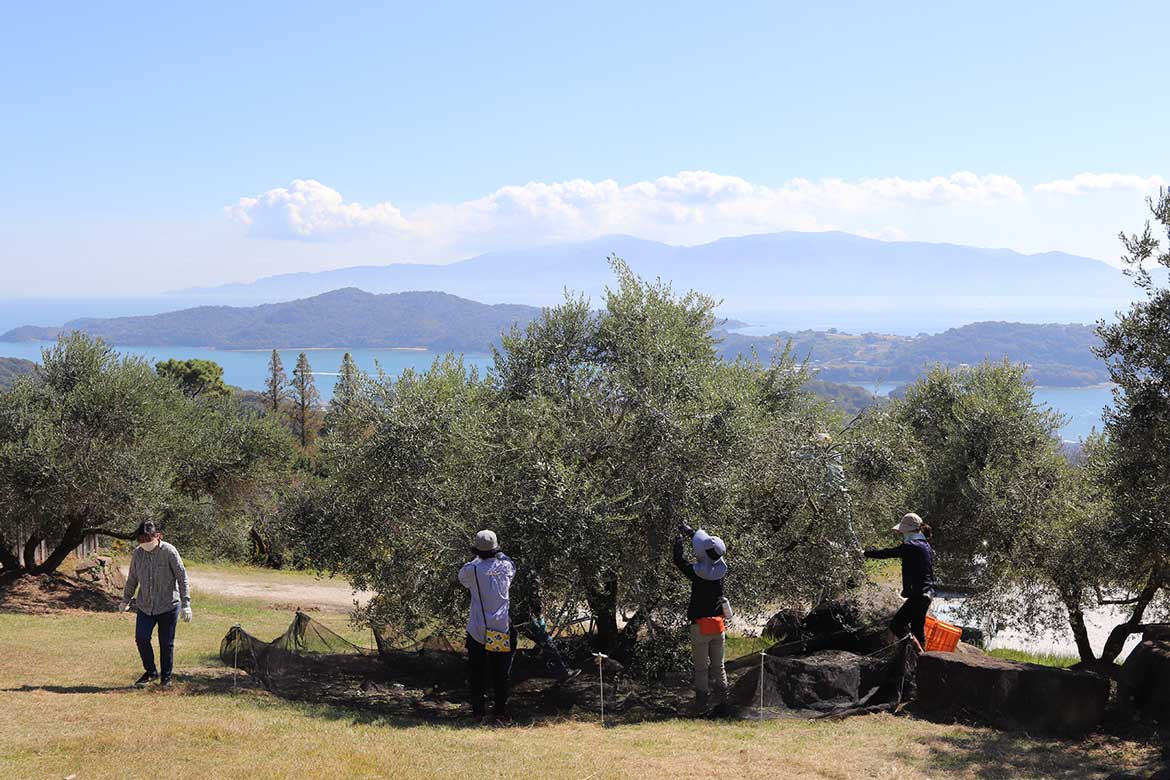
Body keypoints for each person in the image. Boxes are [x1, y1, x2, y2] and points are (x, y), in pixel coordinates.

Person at [119, 521, 191, 688]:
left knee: (166, 643)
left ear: (157, 536)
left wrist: (186, 603)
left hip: (168, 606)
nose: (145, 543)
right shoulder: (138, 553)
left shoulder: (169, 551)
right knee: (141, 638)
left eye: (148, 539)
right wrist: (126, 599)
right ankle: (150, 671)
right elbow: (132, 579)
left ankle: (166, 678)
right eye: (141, 539)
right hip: (145, 606)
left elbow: (182, 577)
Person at [458, 529, 517, 724]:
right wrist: (498, 554)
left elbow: (462, 578)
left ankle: (478, 712)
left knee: (476, 672)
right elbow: (509, 561)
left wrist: (477, 557)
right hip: (500, 628)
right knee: (501, 674)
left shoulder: (472, 569)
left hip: (478, 630)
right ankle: (500, 711)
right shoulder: (506, 567)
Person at [673, 522, 731, 716]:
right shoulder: (720, 573)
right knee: (718, 666)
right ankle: (723, 701)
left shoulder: (698, 574)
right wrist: (691, 532)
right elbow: (706, 547)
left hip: (700, 628)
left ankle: (701, 704)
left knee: (701, 669)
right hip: (718, 626)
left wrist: (678, 542)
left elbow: (678, 561)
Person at [864, 512, 936, 650]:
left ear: (908, 530)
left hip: (919, 595)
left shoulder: (912, 546)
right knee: (917, 630)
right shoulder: (924, 545)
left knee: (896, 625)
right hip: (926, 594)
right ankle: (920, 660)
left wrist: (865, 553)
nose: (901, 534)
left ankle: (916, 655)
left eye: (902, 531)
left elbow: (886, 553)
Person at [512, 567, 581, 682]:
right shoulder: (531, 574)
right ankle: (562, 671)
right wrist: (539, 617)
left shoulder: (511, 573)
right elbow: (535, 599)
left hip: (509, 616)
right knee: (545, 640)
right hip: (524, 618)